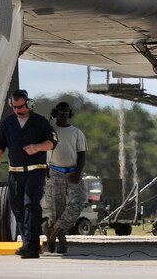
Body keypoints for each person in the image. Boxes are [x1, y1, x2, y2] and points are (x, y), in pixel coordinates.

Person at [0, 89, 58, 259]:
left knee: (31, 205)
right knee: (17, 208)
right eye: (15, 107)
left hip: (35, 171)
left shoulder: (39, 122)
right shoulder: (8, 123)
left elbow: (52, 142)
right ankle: (27, 243)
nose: (18, 110)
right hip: (15, 173)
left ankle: (30, 246)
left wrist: (37, 148)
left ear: (28, 104)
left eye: (21, 107)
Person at [44, 101, 87, 254]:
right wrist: (44, 168)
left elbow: (82, 154)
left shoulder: (76, 132)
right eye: (60, 111)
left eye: (66, 111)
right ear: (55, 113)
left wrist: (78, 173)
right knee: (56, 209)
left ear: (69, 114)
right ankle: (61, 241)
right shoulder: (49, 131)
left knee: (79, 201)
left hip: (72, 172)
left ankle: (53, 230)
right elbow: (41, 150)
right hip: (54, 172)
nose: (63, 113)